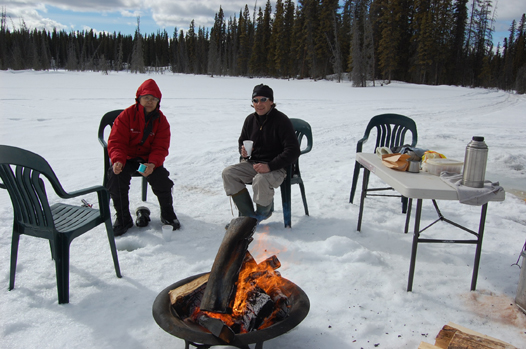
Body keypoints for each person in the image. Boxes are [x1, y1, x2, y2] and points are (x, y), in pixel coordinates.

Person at [106, 79, 180, 236]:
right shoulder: (125, 116)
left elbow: (160, 147)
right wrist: (118, 160)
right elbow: (116, 141)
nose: (150, 101)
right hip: (126, 160)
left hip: (145, 162)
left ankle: (167, 214)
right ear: (138, 98)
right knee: (116, 177)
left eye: (154, 99)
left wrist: (152, 164)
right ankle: (123, 218)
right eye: (146, 97)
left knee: (162, 179)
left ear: (158, 102)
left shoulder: (161, 121)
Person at [222, 84, 300, 224]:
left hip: (277, 167)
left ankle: (263, 213)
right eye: (255, 100)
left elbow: (293, 150)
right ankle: (248, 216)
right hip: (253, 164)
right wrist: (244, 152)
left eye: (263, 99)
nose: (259, 104)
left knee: (261, 180)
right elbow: (242, 141)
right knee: (228, 174)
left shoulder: (281, 120)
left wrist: (269, 166)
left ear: (271, 101)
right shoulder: (250, 120)